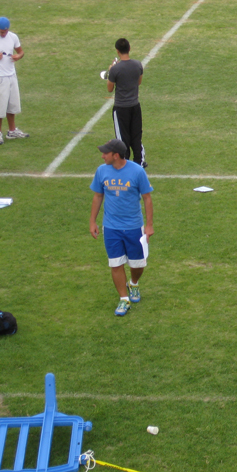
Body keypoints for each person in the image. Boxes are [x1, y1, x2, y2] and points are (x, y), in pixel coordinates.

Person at [90, 139, 154, 317]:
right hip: (111, 227)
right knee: (116, 263)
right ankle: (124, 299)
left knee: (138, 264)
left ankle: (133, 283)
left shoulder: (137, 171)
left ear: (115, 155)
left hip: (134, 227)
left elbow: (147, 198)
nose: (102, 156)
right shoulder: (101, 171)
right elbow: (97, 196)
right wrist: (92, 222)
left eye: (105, 153)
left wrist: (149, 225)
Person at [106, 38, 146, 167]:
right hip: (135, 106)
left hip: (121, 108)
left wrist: (110, 70)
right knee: (136, 136)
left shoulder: (115, 69)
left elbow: (109, 88)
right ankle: (139, 162)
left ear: (118, 51)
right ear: (129, 49)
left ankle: (125, 164)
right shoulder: (138, 65)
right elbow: (138, 82)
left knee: (122, 138)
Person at [0, 17, 28, 145]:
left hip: (11, 75)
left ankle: (12, 131)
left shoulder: (12, 37)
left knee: (12, 105)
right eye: (1, 32)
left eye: (5, 31)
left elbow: (21, 51)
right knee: (0, 107)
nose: (4, 33)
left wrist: (18, 56)